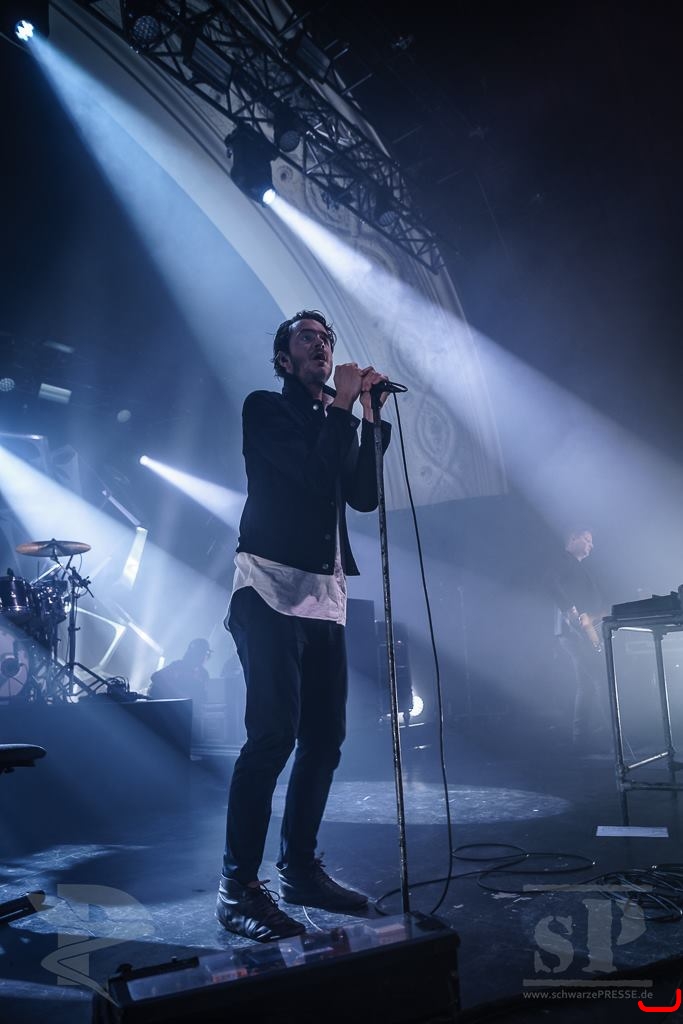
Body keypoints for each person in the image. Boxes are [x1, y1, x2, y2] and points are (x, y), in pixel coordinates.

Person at [216, 309, 391, 942]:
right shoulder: (265, 408)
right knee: (272, 737)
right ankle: (237, 888)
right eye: (308, 339)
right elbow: (313, 476)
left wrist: (369, 418)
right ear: (284, 359)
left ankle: (298, 869)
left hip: (324, 595)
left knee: (325, 738)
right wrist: (342, 405)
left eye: (327, 339)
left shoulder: (334, 420)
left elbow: (363, 496)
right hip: (267, 589)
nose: (322, 346)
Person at [547, 527, 609, 749]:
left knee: (587, 685)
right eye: (587, 540)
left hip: (582, 632)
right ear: (573, 538)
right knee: (601, 679)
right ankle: (617, 736)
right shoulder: (564, 560)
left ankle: (580, 738)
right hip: (574, 633)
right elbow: (549, 582)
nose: (591, 545)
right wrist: (569, 609)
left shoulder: (577, 566)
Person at [147, 638, 212, 703]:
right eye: (201, 653)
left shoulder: (204, 674)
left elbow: (202, 697)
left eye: (206, 654)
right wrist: (177, 694)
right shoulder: (178, 666)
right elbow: (156, 676)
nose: (203, 657)